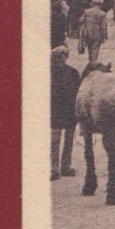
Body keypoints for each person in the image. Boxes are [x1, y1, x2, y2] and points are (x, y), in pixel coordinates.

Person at [50, 47, 80, 180]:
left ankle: (65, 166)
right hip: (55, 112)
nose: (58, 60)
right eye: (56, 57)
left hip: (68, 112)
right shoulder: (47, 72)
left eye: (61, 57)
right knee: (55, 141)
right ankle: (54, 169)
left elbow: (79, 92)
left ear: (65, 58)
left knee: (68, 141)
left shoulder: (73, 72)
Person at [77, 0, 108, 67]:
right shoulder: (102, 14)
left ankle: (90, 62)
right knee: (95, 50)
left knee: (89, 49)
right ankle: (93, 64)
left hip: (87, 33)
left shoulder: (86, 11)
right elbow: (103, 27)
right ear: (101, 5)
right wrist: (104, 37)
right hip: (97, 34)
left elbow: (80, 20)